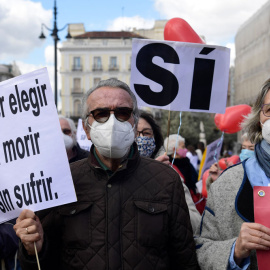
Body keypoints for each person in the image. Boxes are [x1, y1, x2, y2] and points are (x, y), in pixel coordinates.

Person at [14, 78, 199, 270]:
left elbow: (184, 259)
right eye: (101, 113)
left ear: (134, 125)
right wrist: (32, 249)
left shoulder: (166, 179)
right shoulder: (63, 181)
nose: (112, 122)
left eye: (122, 113)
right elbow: (43, 261)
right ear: (86, 129)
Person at [195, 78, 270, 270]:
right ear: (259, 120)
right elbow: (201, 250)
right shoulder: (228, 183)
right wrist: (234, 250)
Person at [136, 111, 201, 233]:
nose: (141, 138)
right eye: (135, 133)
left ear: (155, 138)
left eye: (146, 133)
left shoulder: (168, 173)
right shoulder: (110, 171)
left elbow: (196, 223)